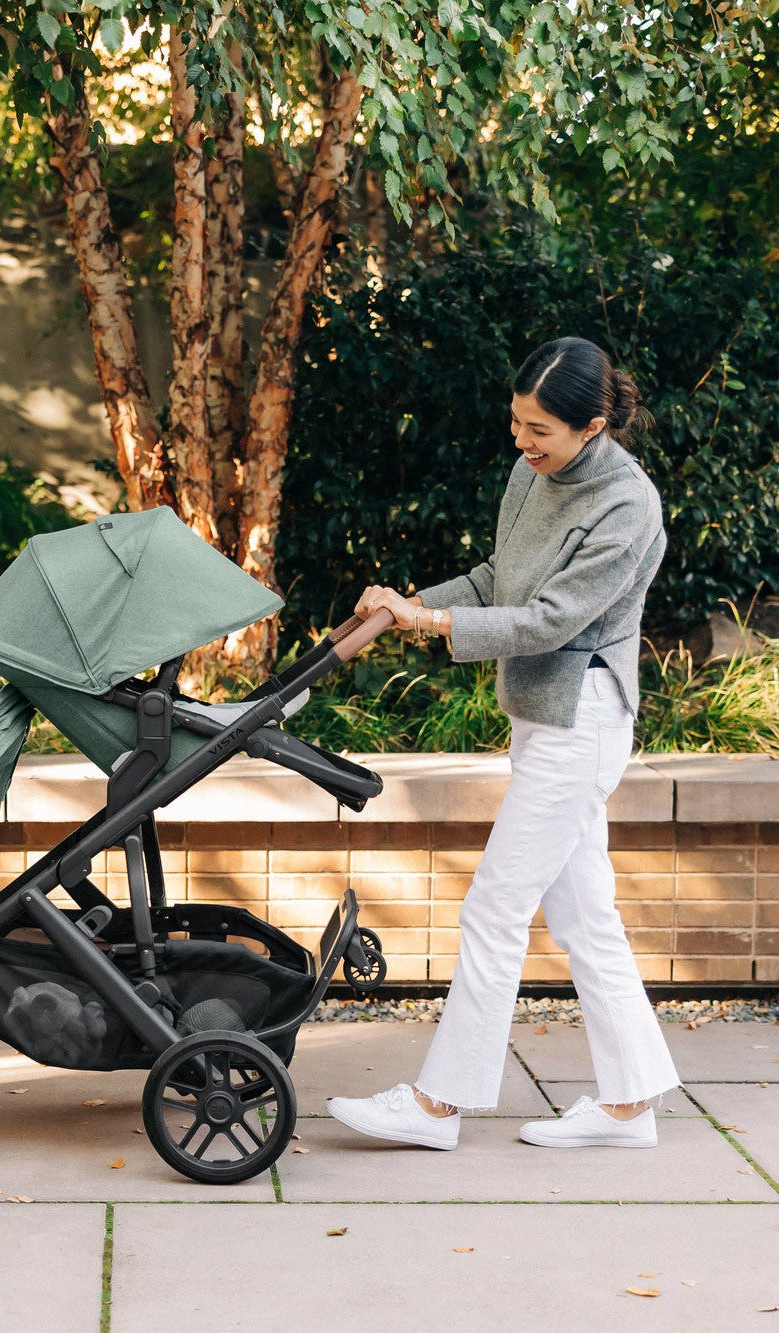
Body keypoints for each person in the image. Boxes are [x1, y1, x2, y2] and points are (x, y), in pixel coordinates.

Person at [326, 337, 679, 1151]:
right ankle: (629, 1105)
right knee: (584, 916)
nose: (521, 442)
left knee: (493, 906)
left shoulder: (627, 505)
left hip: (580, 719)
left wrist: (431, 621)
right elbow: (498, 580)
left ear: (592, 426)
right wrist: (404, 606)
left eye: (539, 430)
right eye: (516, 422)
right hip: (540, 717)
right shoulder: (533, 473)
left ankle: (437, 1104)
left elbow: (552, 619)